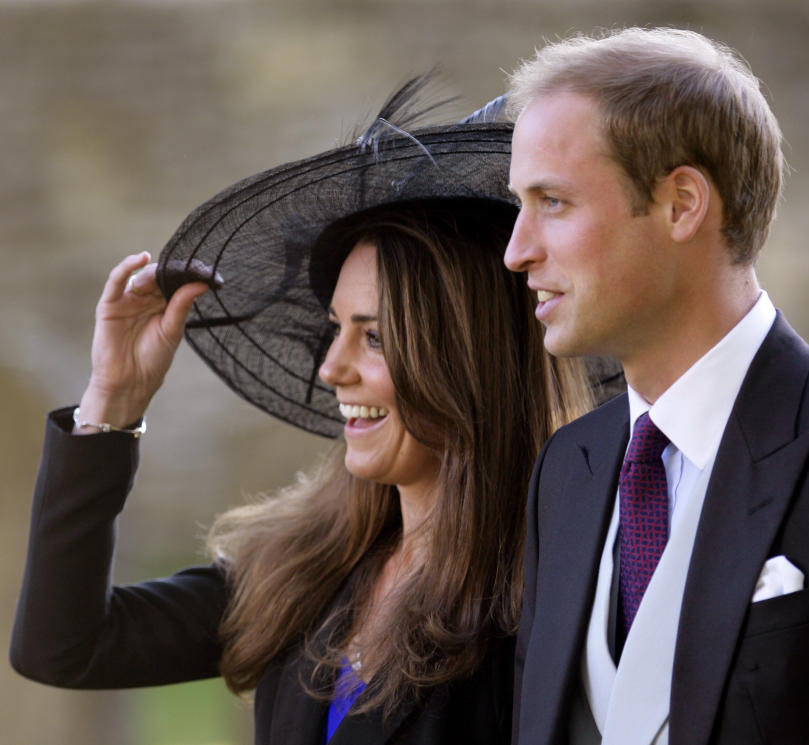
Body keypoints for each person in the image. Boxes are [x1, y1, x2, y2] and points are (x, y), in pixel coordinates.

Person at [9, 78, 598, 745]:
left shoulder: (558, 598)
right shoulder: (306, 567)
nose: (330, 367)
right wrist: (111, 403)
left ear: (466, 361)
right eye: (334, 327)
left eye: (373, 336)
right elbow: (61, 645)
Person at [503, 27, 809, 745]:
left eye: (553, 202)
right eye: (519, 206)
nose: (517, 250)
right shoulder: (566, 468)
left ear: (683, 203)